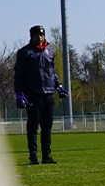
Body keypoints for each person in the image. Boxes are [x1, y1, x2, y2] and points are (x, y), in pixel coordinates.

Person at [13, 24, 68, 164]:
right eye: (37, 35)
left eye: (42, 34)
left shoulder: (50, 51)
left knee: (47, 126)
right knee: (33, 126)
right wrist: (19, 93)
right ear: (32, 36)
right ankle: (33, 156)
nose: (40, 37)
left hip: (48, 93)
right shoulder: (24, 52)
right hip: (33, 93)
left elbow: (52, 72)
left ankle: (46, 156)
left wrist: (59, 86)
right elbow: (18, 75)